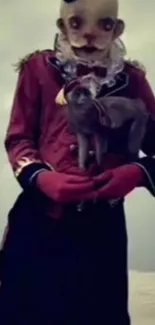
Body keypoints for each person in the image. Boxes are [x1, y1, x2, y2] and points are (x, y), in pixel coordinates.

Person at [0, 0, 155, 323]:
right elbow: (18, 137)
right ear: (61, 27)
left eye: (105, 25)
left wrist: (138, 173)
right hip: (39, 220)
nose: (89, 34)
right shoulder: (38, 68)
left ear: (118, 29)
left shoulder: (134, 80)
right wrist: (41, 177)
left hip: (103, 228)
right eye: (76, 24)